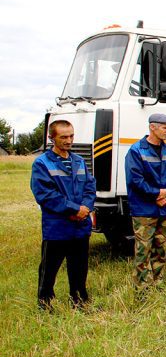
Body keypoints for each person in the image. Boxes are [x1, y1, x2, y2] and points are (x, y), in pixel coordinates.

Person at [30, 119, 96, 309]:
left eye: (71, 136)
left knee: (79, 267)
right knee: (49, 269)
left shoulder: (79, 161)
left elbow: (90, 187)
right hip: (57, 226)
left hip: (80, 226)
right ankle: (45, 303)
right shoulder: (42, 164)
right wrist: (74, 209)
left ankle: (79, 300)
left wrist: (85, 208)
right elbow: (45, 195)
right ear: (52, 138)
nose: (69, 140)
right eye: (64, 137)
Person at [125, 113, 166, 291]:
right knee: (143, 250)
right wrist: (156, 195)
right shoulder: (136, 151)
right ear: (153, 127)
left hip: (165, 208)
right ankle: (142, 287)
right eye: (165, 128)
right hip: (144, 209)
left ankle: (157, 283)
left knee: (162, 248)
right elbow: (135, 180)